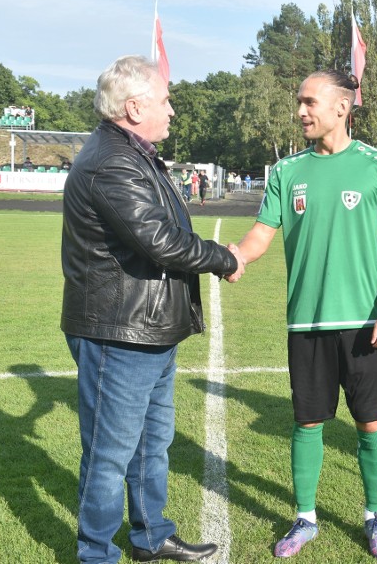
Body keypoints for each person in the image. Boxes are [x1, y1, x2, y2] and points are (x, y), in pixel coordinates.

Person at [60, 54, 246, 564]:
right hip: (118, 331)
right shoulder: (111, 161)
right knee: (108, 456)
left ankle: (150, 536)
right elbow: (160, 241)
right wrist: (223, 257)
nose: (173, 110)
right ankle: (97, 554)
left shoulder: (132, 152)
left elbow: (163, 234)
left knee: (151, 445)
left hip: (146, 328)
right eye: (165, 100)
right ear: (135, 106)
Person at [234, 69, 377, 562]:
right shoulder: (287, 172)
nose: (300, 111)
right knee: (307, 422)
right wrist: (236, 257)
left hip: (364, 323)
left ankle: (374, 516)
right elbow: (261, 235)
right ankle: (306, 517)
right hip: (306, 323)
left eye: (309, 102)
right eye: (299, 102)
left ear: (341, 107)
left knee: (370, 425)